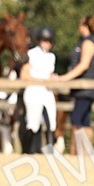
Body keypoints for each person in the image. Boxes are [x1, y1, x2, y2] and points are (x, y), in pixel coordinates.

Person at [58, 13, 94, 154]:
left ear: (84, 26)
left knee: (76, 118)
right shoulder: (91, 41)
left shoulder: (88, 42)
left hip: (86, 88)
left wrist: (64, 78)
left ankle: (76, 151)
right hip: (88, 88)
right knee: (84, 120)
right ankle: (86, 152)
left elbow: (84, 65)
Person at [19, 26, 58, 154]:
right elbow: (24, 75)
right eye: (45, 41)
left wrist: (53, 79)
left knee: (51, 121)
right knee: (33, 122)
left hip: (47, 91)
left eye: (50, 41)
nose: (48, 44)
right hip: (33, 90)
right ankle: (29, 150)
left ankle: (50, 150)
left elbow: (50, 74)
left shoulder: (51, 57)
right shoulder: (31, 54)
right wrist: (41, 81)